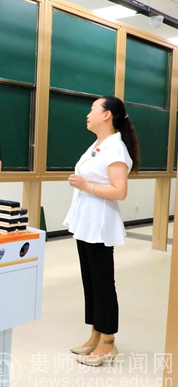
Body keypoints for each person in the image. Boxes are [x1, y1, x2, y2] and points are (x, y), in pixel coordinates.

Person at [63, 95, 140, 367]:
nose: (88, 114)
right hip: (85, 222)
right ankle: (96, 333)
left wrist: (87, 186)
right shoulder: (98, 145)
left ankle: (108, 342)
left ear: (107, 115)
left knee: (103, 281)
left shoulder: (116, 148)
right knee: (90, 280)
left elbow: (120, 191)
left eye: (93, 109)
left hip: (100, 224)